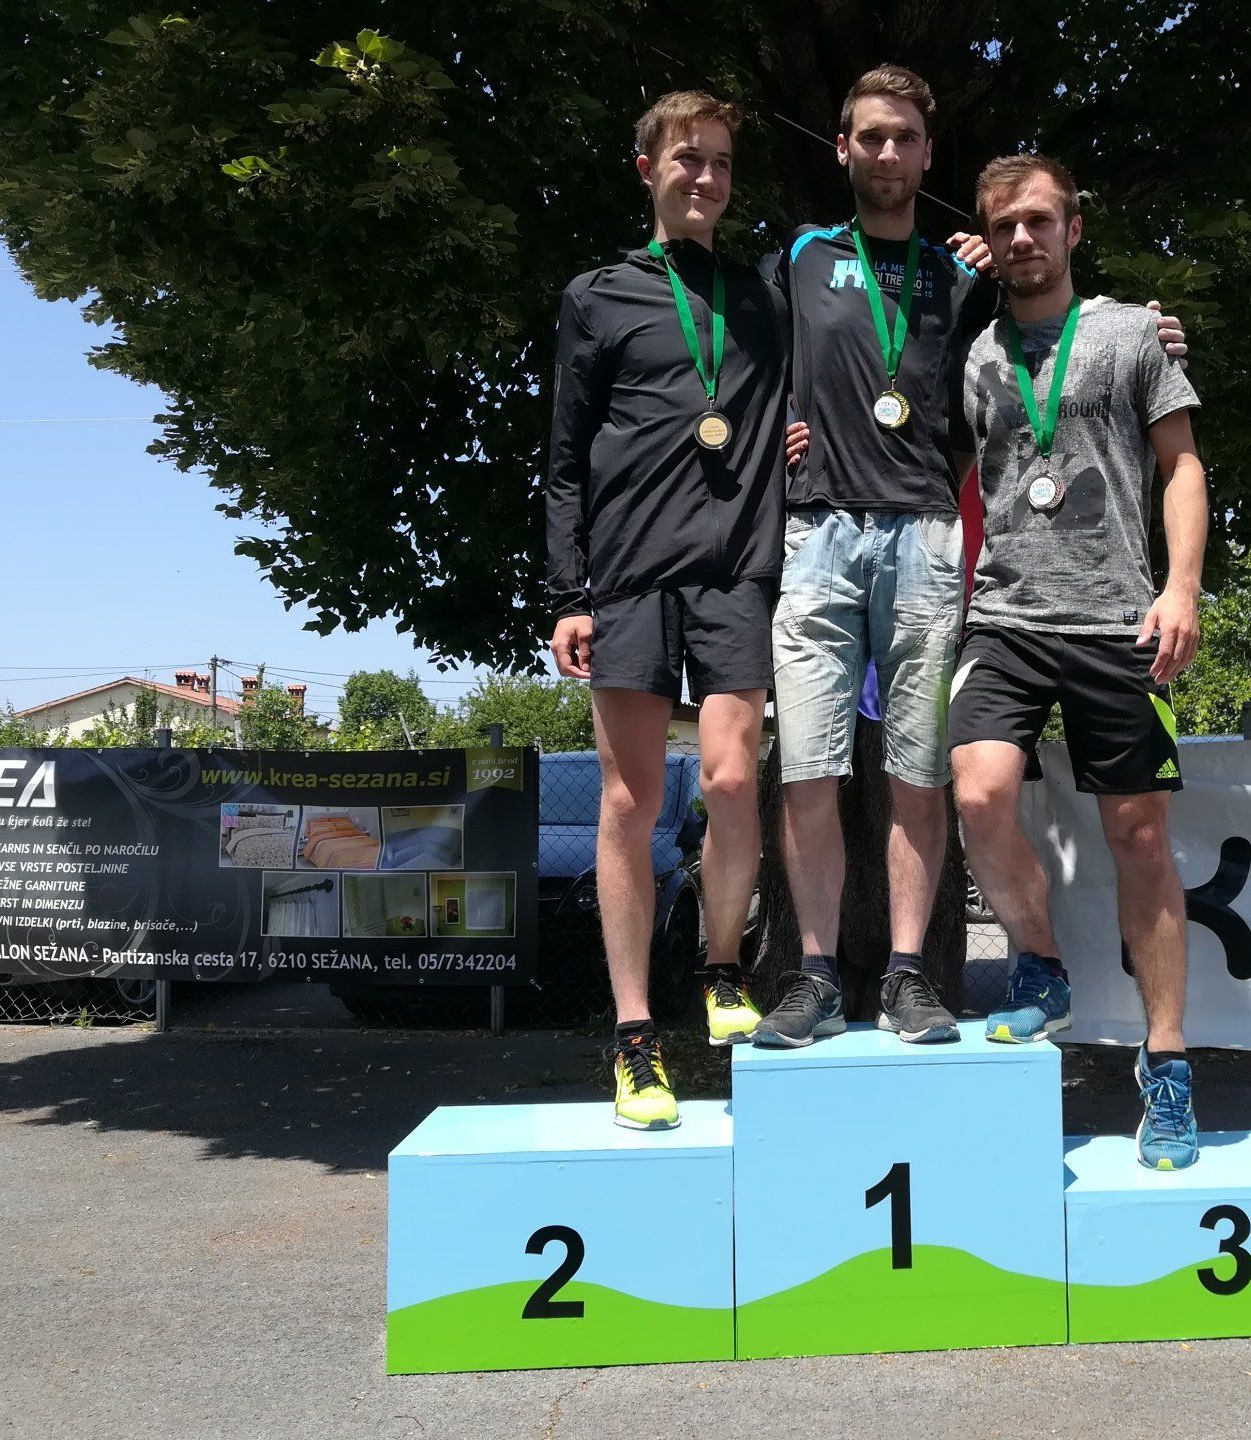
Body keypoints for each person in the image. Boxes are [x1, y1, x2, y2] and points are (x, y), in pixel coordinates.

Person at [756, 65, 1186, 1048]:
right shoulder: (802, 256)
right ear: (843, 148)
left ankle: (910, 975)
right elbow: (746, 363)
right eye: (872, 136)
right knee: (808, 770)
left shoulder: (969, 278)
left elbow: (1048, 350)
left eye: (906, 137)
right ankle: (813, 975)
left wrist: (1157, 337)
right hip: (818, 531)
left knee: (923, 774)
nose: (889, 153)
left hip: (927, 536)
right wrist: (772, 429)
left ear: (927, 153)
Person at [947, 154, 1208, 1170]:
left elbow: (1181, 465)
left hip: (1118, 621)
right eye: (1003, 225)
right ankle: (1041, 965)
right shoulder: (974, 355)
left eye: (1039, 220)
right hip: (1004, 616)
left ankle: (1168, 1063)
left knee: (1140, 841)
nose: (1022, 237)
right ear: (988, 238)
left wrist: (1180, 589)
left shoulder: (1134, 334)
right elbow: (932, 467)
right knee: (979, 794)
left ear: (1073, 228)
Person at [545, 92, 784, 1128]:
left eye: (722, 162)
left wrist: (971, 265)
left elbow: (873, 338)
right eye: (689, 158)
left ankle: (722, 966)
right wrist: (568, 593)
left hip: (736, 570)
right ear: (647, 168)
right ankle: (635, 1036)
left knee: (731, 780)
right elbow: (564, 458)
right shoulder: (596, 296)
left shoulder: (765, 295)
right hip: (629, 576)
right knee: (629, 804)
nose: (707, 178)